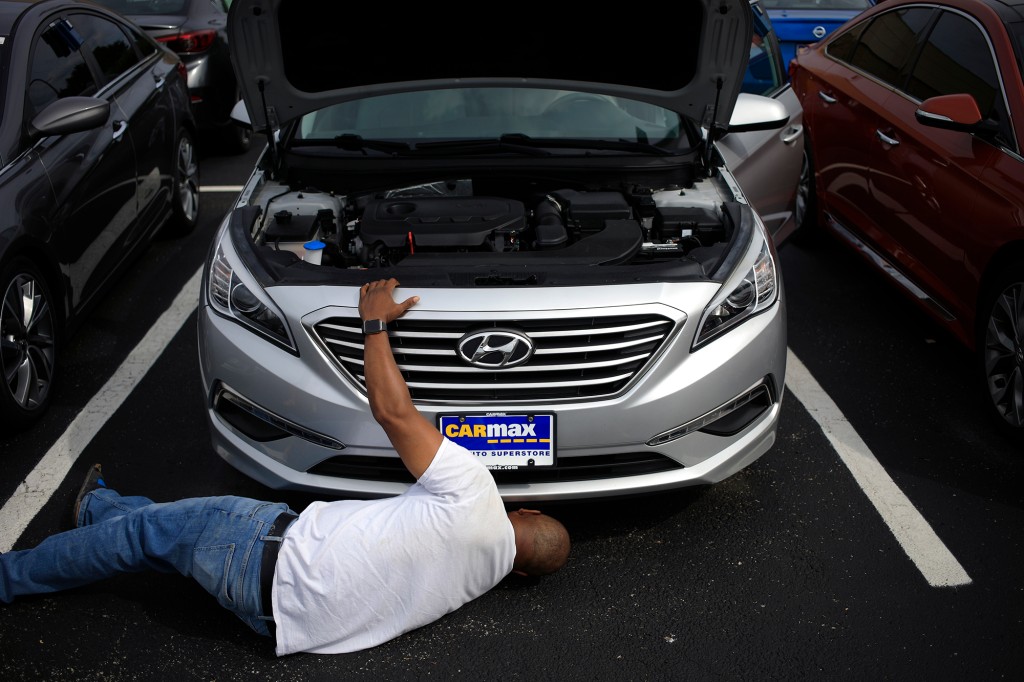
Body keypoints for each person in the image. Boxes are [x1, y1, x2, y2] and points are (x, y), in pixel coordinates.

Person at [0, 278, 571, 655]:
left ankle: (10, 577)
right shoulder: (478, 580)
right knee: (168, 535)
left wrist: (374, 323)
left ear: (526, 509)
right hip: (276, 622)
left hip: (264, 551)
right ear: (520, 573)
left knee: (151, 536)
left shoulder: (477, 492)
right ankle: (98, 506)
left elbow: (393, 413)